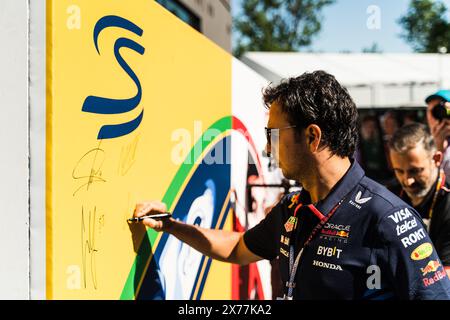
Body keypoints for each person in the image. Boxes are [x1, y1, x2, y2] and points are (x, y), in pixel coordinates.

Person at [134, 71, 450, 300]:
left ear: (312, 137)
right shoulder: (293, 208)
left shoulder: (387, 218)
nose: (269, 149)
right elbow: (235, 248)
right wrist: (171, 225)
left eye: (274, 134)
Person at [388, 123, 450, 277]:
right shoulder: (388, 195)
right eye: (399, 171)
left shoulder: (447, 203)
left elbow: (447, 274)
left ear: (436, 159)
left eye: (415, 171)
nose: (407, 181)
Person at [426, 90, 450, 180]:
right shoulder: (420, 142)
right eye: (431, 111)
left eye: (444, 111)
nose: (437, 115)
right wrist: (437, 147)